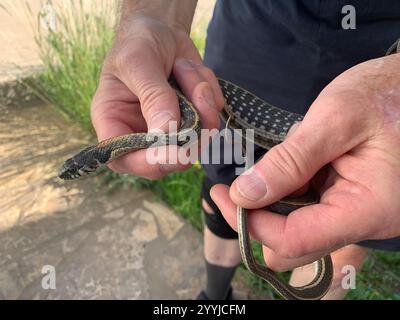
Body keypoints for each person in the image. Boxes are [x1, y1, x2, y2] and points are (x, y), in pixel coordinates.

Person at [90, 0, 400, 300]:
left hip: (380, 60)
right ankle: (215, 297)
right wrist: (154, 19)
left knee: (338, 226)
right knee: (223, 191)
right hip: (255, 39)